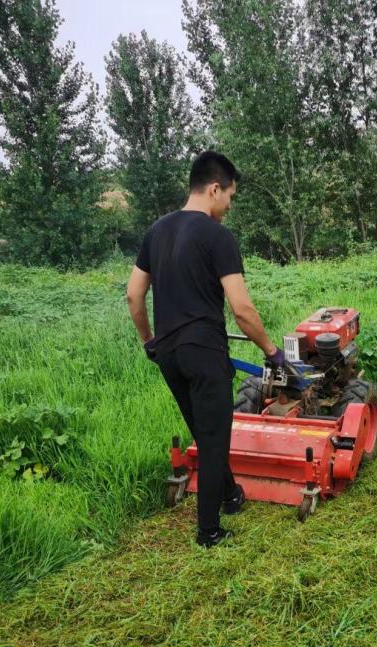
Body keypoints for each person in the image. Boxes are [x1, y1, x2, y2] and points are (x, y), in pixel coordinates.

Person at [126, 151, 285, 548]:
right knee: (215, 440)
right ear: (215, 188)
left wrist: (150, 343)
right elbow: (242, 310)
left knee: (204, 429)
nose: (229, 206)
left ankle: (231, 495)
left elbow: (133, 295)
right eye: (230, 196)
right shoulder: (218, 236)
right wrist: (271, 352)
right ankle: (209, 531)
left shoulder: (156, 231)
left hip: (169, 354)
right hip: (204, 352)